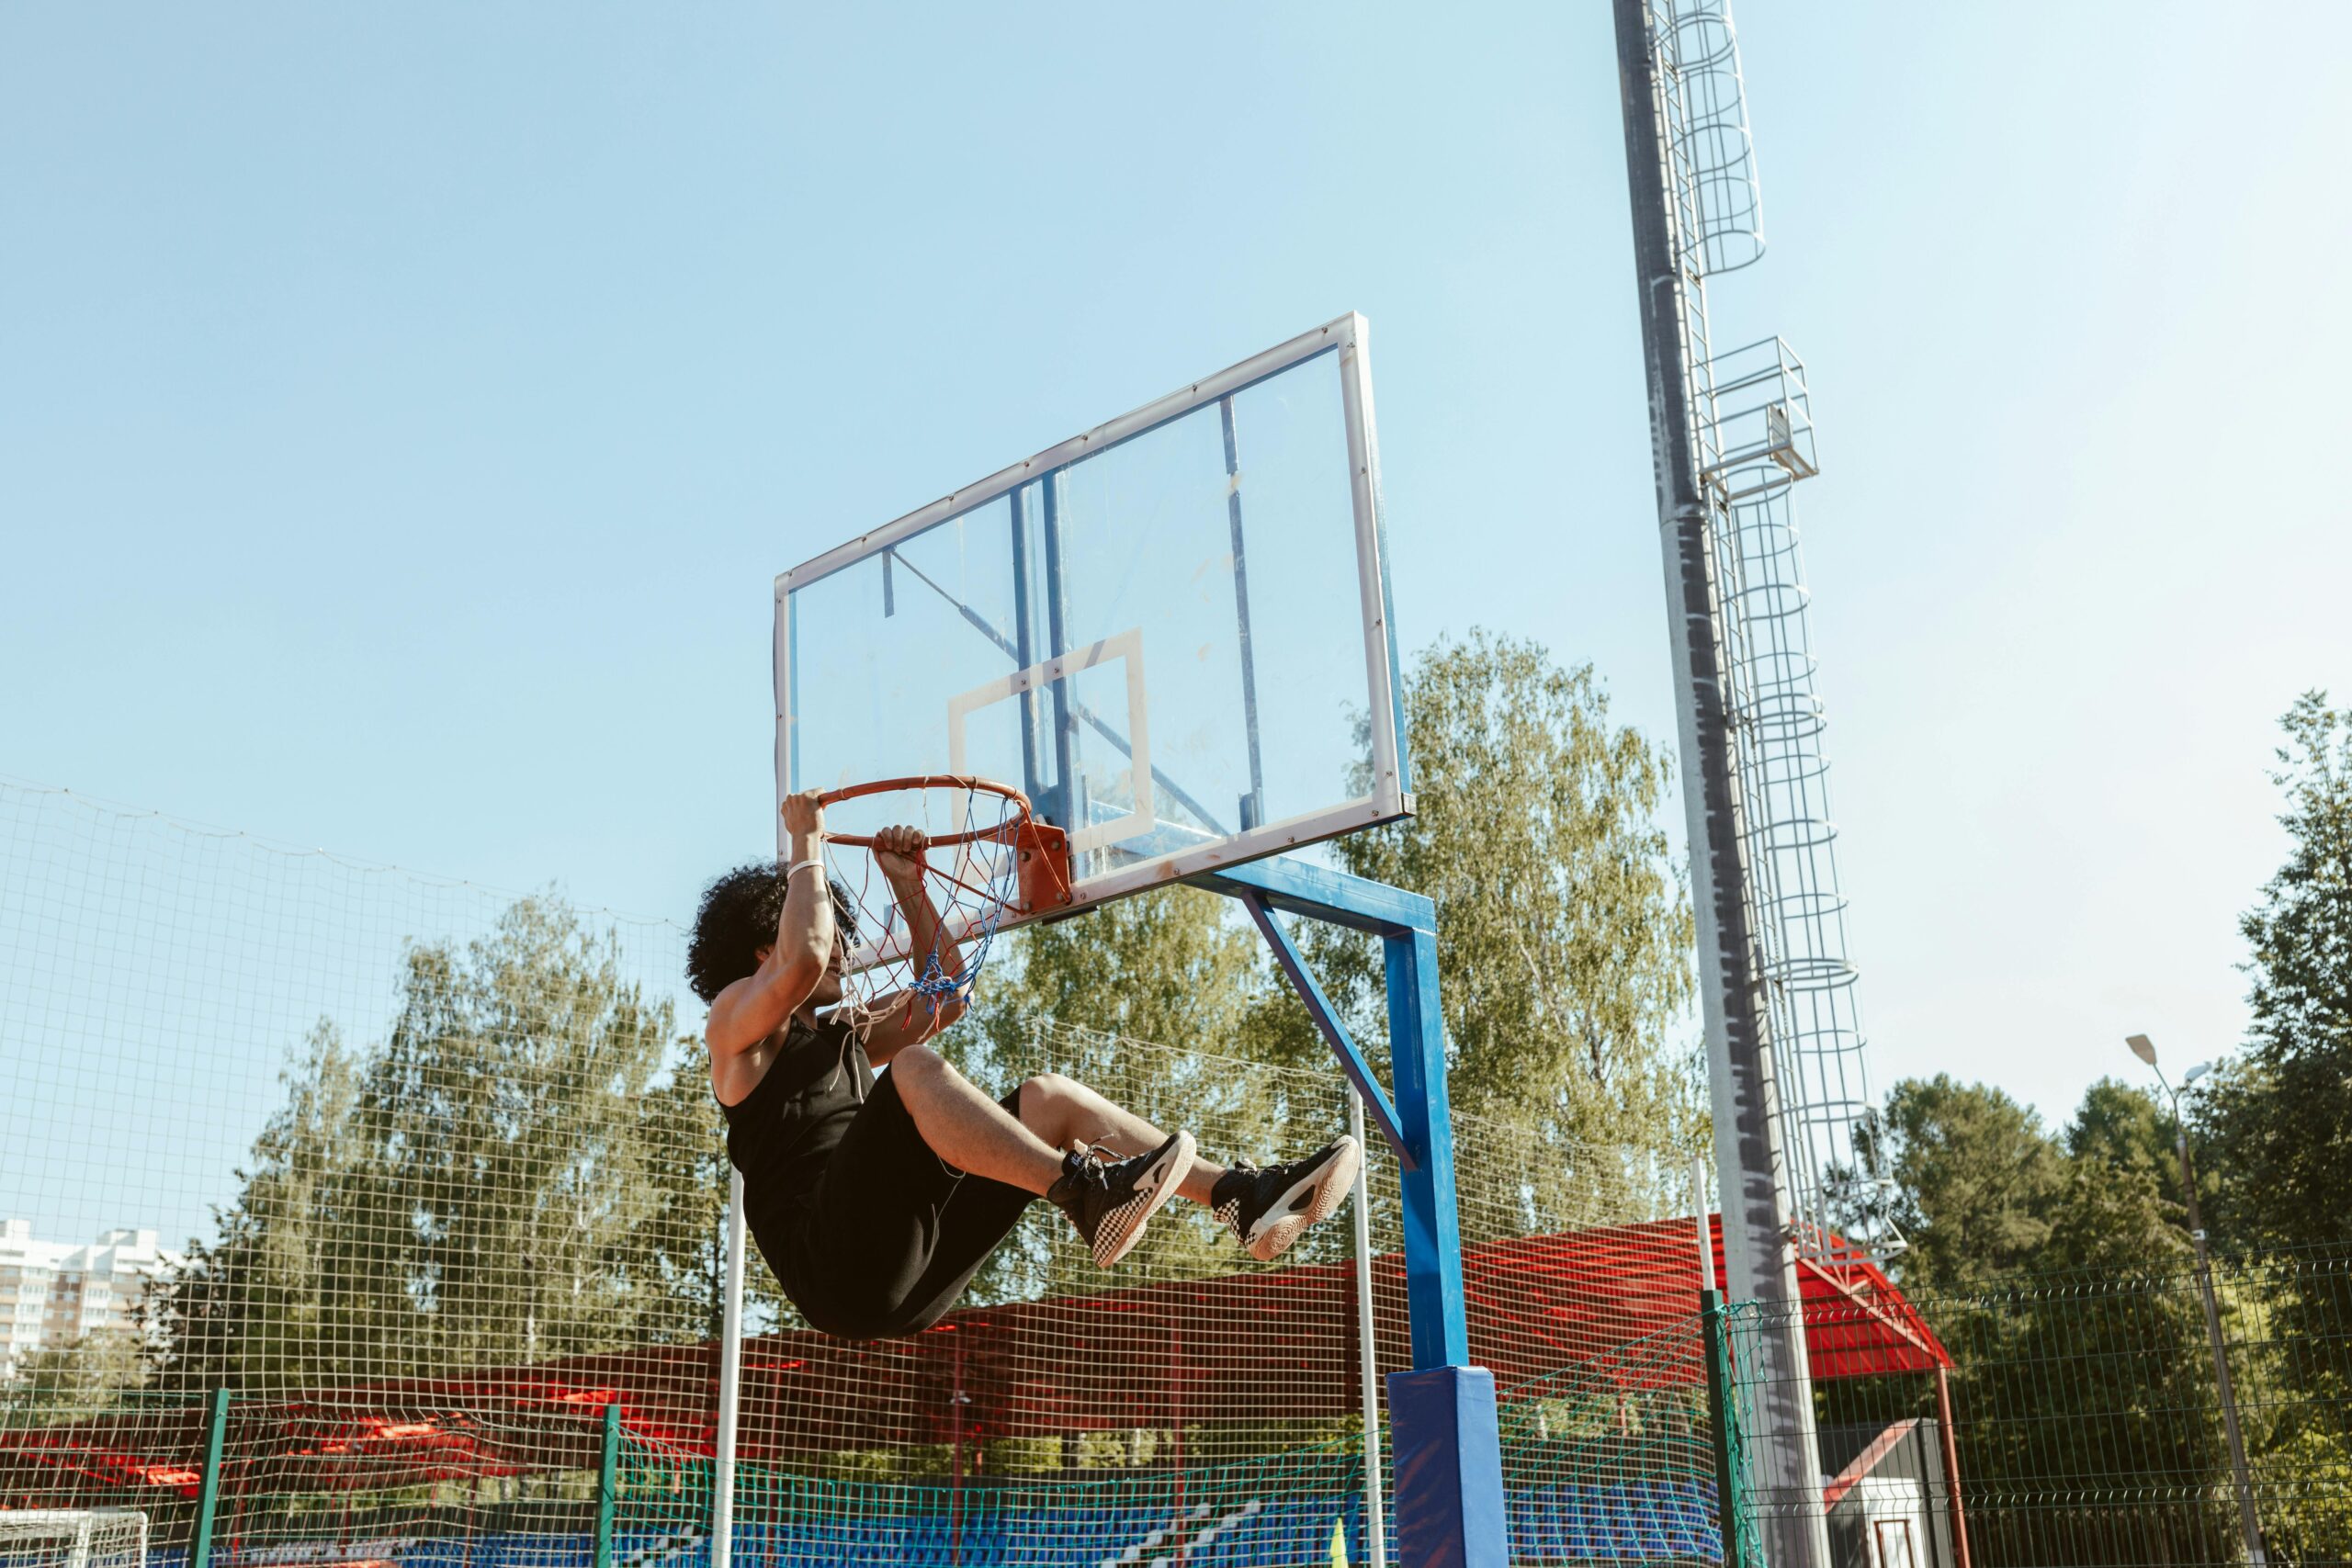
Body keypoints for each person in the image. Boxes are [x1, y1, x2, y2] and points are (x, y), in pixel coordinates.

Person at [687, 790, 1362, 1341]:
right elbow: (802, 955)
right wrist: (806, 842)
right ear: (758, 951)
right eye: (832, 931)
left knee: (1047, 1099)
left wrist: (909, 887)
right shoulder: (735, 1033)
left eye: (841, 935)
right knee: (914, 1070)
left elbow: (946, 992)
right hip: (835, 1270)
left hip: (909, 1273)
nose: (842, 951)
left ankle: (1239, 1198)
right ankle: (1083, 1193)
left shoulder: (844, 1038)